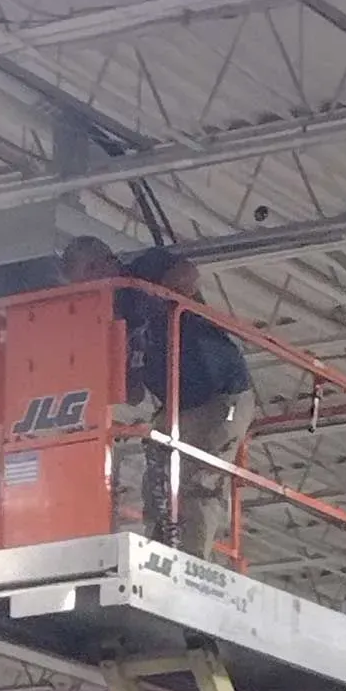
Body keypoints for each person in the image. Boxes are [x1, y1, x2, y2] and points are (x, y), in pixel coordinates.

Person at [58, 237, 256, 561]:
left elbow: (187, 274)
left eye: (90, 273)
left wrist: (158, 296)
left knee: (196, 481)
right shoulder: (113, 318)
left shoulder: (145, 269)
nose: (91, 286)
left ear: (106, 261)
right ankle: (161, 556)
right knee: (158, 485)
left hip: (223, 395)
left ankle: (189, 562)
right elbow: (133, 393)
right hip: (177, 405)